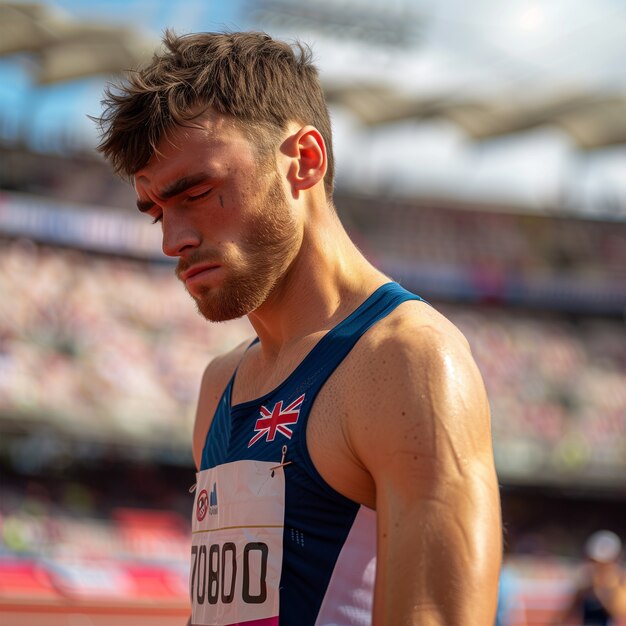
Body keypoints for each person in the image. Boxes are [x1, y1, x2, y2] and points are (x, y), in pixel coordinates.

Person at [94, 30, 502, 626]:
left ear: (304, 161)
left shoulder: (408, 360)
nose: (171, 240)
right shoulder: (221, 383)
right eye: (157, 210)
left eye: (199, 192)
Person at [554, 530, 626, 626]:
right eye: (594, 562)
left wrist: (602, 590)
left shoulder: (618, 582)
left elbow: (619, 612)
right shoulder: (587, 583)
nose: (597, 566)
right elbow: (570, 611)